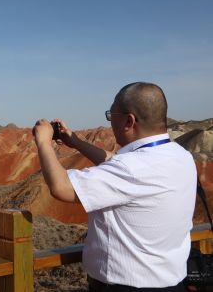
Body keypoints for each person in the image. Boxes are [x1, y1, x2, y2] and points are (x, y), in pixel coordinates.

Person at [33, 82, 197, 291]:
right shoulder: (180, 156)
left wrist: (43, 141)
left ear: (129, 120)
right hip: (172, 283)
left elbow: (61, 187)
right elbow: (117, 165)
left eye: (112, 116)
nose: (111, 124)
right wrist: (74, 141)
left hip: (125, 287)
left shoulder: (131, 169)